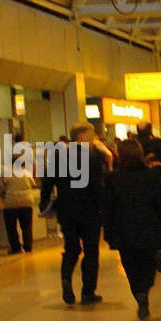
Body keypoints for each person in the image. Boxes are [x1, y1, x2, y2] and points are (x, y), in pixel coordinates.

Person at [103, 139, 161, 321]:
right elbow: (160, 204)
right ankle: (144, 291)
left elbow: (108, 207)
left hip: (123, 229)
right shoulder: (151, 176)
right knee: (148, 263)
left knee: (130, 265)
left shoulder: (113, 178)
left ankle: (139, 293)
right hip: (149, 227)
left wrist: (108, 231)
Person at [40, 123, 106, 306]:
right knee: (91, 251)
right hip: (89, 212)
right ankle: (88, 293)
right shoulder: (92, 157)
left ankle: (66, 278)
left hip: (66, 211)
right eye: (91, 136)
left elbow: (47, 182)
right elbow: (97, 187)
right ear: (81, 137)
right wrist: (104, 209)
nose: (94, 140)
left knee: (71, 248)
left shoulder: (58, 156)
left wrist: (44, 203)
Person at [135, 121, 161, 275]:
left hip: (139, 196)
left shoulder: (133, 146)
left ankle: (147, 259)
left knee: (143, 227)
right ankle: (160, 254)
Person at [2, 167, 37, 255]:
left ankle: (16, 248)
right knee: (27, 226)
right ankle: (28, 247)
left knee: (11, 227)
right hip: (26, 202)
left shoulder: (8, 173)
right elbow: (33, 184)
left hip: (11, 203)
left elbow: (3, 186)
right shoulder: (27, 173)